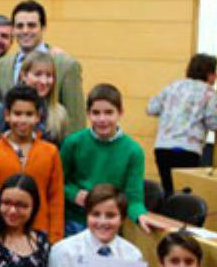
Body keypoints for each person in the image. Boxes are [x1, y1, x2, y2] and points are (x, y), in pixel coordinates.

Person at [0, 85, 65, 245]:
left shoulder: (50, 152)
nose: (22, 120)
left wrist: (55, 239)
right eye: (17, 114)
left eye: (29, 114)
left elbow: (56, 200)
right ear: (7, 115)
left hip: (38, 235)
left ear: (38, 117)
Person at [61, 84, 154, 234]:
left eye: (109, 112)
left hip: (110, 224)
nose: (102, 119)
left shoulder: (134, 151)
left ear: (120, 113)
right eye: (96, 113)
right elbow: (57, 182)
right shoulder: (73, 142)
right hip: (74, 221)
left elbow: (134, 198)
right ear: (88, 114)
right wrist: (73, 193)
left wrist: (140, 215)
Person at [0, 0, 86, 131]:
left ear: (43, 28)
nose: (25, 31)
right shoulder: (2, 65)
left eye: (31, 25)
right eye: (19, 26)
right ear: (13, 29)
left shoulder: (66, 65)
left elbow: (76, 119)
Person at [147, 53, 217, 196]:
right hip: (188, 150)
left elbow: (151, 108)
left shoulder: (173, 86)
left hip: (163, 147)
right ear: (209, 74)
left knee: (168, 190)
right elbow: (214, 123)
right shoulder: (208, 93)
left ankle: (165, 216)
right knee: (184, 196)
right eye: (215, 73)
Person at [0, 51, 71, 144]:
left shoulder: (59, 113)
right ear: (24, 76)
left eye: (49, 75)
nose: (44, 81)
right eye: (37, 75)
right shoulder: (3, 109)